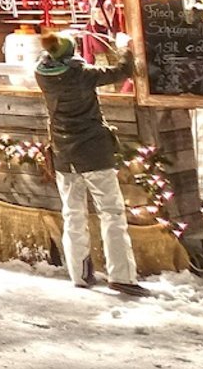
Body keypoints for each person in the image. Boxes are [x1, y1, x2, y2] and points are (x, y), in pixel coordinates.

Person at [36, 32, 146, 295]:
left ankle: (80, 274)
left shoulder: (42, 74)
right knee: (111, 212)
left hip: (63, 154)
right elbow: (123, 71)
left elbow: (50, 57)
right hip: (93, 152)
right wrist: (124, 47)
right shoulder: (83, 75)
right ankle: (122, 275)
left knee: (72, 213)